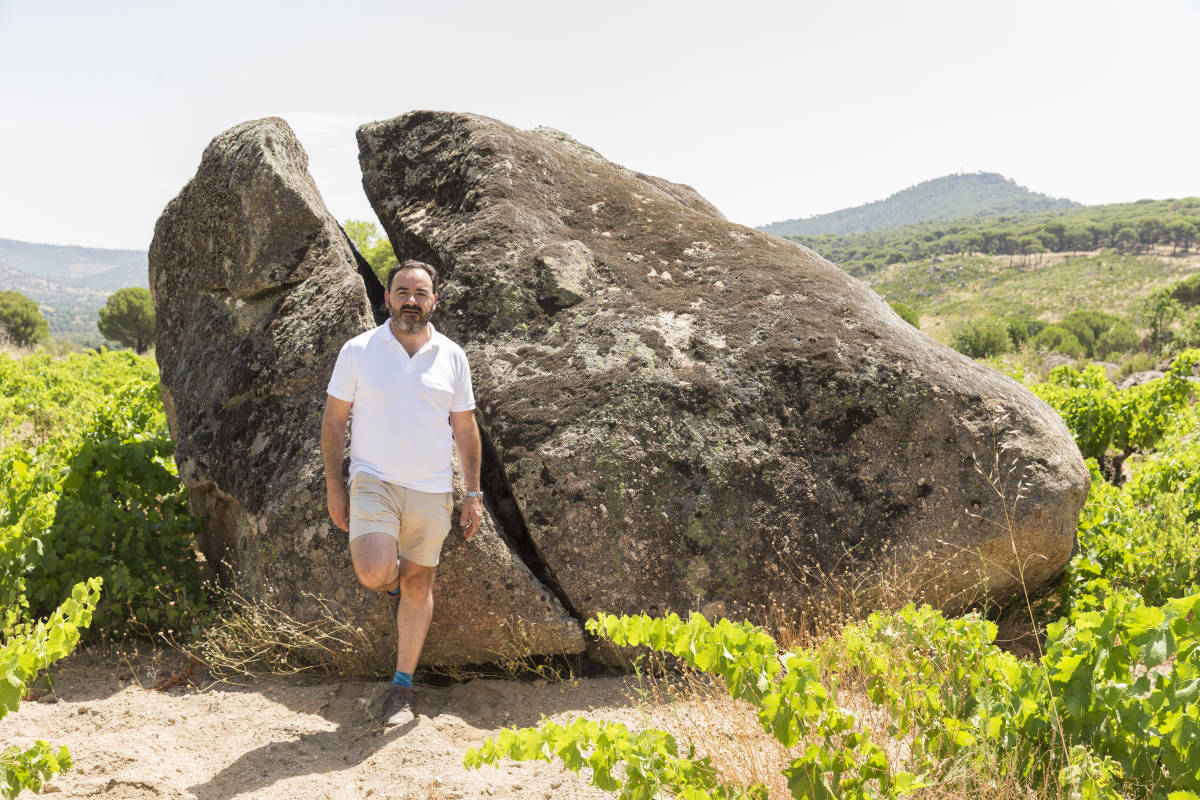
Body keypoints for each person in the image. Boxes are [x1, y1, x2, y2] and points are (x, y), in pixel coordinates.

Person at [321, 259, 483, 726]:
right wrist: (336, 487)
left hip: (433, 489)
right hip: (374, 480)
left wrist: (472, 494)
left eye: (420, 293)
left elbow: (466, 429)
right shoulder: (359, 350)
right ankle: (392, 588)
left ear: (435, 300)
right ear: (387, 298)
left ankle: (401, 688)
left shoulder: (452, 356)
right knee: (375, 570)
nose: (411, 300)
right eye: (402, 292)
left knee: (418, 584)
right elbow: (333, 423)